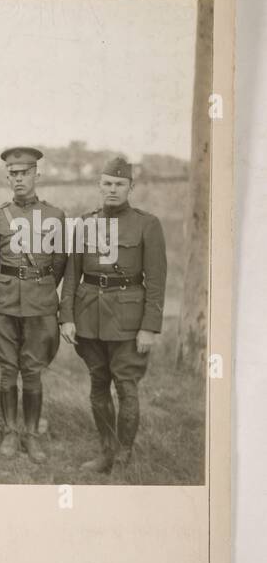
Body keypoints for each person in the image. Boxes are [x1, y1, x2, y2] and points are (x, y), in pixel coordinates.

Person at [59, 156, 167, 472]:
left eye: (120, 184)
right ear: (99, 185)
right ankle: (106, 452)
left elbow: (157, 282)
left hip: (129, 323)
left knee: (126, 387)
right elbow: (71, 273)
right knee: (98, 384)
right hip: (89, 316)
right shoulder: (83, 223)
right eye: (107, 183)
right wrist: (67, 316)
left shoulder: (147, 224)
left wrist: (150, 326)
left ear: (131, 187)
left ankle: (123, 457)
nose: (113, 189)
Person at [0, 147, 68, 464]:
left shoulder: (55, 216)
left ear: (37, 175)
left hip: (40, 301)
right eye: (13, 174)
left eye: (25, 173)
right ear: (8, 177)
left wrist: (41, 285)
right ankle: (9, 431)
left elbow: (59, 263)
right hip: (4, 302)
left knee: (32, 371)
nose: (19, 179)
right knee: (8, 371)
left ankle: (31, 435)